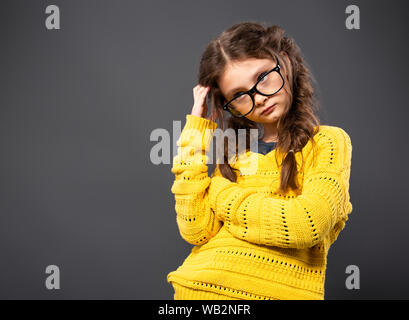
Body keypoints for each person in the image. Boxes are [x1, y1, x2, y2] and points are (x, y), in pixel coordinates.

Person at [167, 21, 353, 300]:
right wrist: (196, 129)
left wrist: (219, 193)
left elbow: (306, 224)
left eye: (263, 77)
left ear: (285, 62)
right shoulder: (235, 156)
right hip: (195, 290)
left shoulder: (327, 142)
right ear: (230, 105)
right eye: (240, 95)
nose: (259, 97)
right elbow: (195, 229)